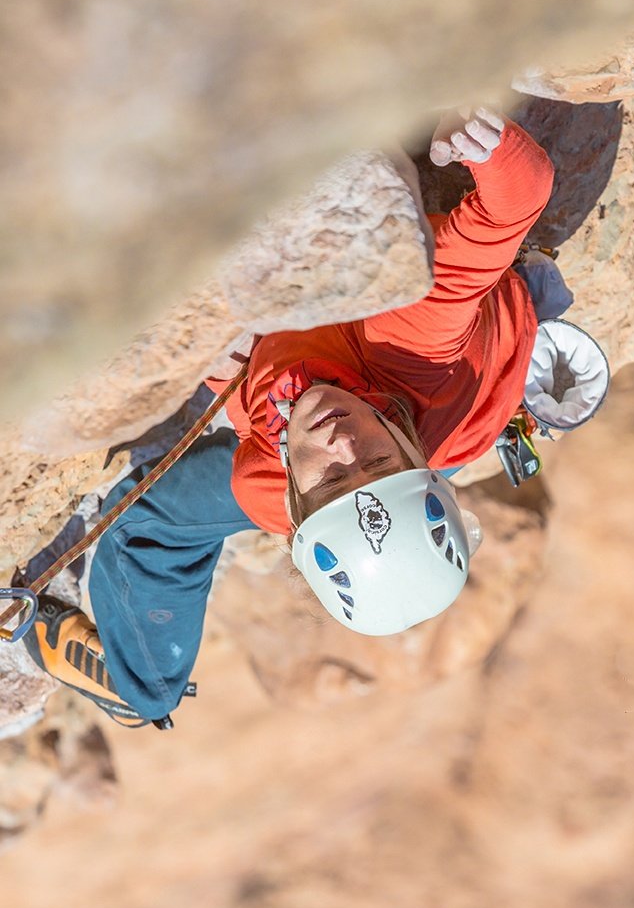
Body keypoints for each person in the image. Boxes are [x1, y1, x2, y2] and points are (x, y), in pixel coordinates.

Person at [23, 109, 555, 728]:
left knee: (150, 522)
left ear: (295, 507)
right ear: (406, 445)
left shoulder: (264, 484)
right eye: (376, 459)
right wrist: (481, 140)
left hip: (369, 459)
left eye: (331, 479)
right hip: (456, 397)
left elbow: (286, 423)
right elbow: (519, 197)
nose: (340, 444)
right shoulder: (409, 336)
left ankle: (143, 691)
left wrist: (225, 367)